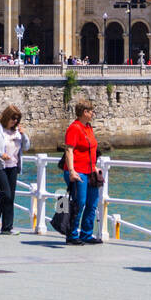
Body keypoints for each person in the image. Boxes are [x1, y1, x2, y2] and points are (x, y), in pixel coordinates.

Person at [0, 104, 30, 235]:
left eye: (17, 119)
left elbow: (26, 147)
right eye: (13, 118)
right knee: (5, 194)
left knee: (10, 197)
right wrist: (0, 154)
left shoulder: (17, 131)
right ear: (7, 117)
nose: (15, 121)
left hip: (13, 166)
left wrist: (24, 134)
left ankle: (7, 227)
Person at [62, 99, 102, 245]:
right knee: (79, 202)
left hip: (90, 171)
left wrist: (95, 166)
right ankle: (72, 235)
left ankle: (86, 234)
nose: (93, 114)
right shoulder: (74, 128)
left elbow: (90, 150)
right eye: (91, 111)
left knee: (92, 203)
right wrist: (71, 171)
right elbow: (69, 150)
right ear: (84, 112)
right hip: (77, 171)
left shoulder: (88, 127)